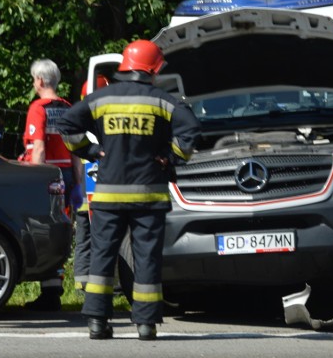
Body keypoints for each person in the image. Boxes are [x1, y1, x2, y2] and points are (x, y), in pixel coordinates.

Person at [58, 40, 201, 340]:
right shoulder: (163, 101)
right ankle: (146, 324)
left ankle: (97, 322)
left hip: (109, 194)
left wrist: (92, 150)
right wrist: (172, 157)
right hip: (149, 195)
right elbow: (190, 131)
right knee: (146, 257)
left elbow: (68, 124)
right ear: (153, 69)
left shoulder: (101, 98)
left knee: (102, 255)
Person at [19, 59, 83, 311]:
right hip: (67, 176)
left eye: (35, 79)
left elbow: (39, 148)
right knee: (61, 232)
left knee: (44, 233)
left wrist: (36, 179)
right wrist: (77, 183)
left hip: (47, 177)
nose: (34, 83)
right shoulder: (68, 108)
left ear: (41, 81)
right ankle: (53, 288)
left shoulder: (38, 108)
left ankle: (49, 292)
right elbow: (77, 151)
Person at [72, 75, 109, 295]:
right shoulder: (103, 123)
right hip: (98, 190)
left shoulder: (79, 122)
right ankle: (100, 283)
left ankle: (80, 284)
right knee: (100, 238)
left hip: (82, 190)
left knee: (83, 238)